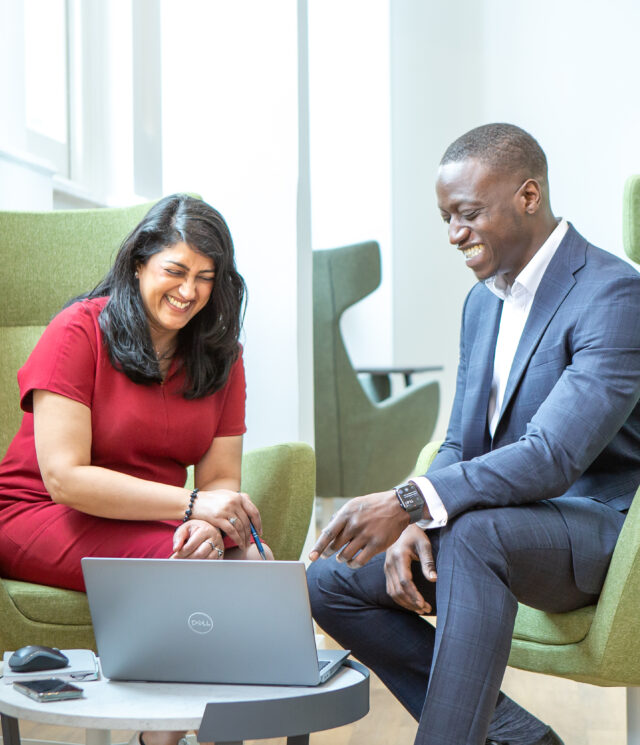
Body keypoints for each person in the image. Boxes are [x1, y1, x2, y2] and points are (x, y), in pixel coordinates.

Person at [307, 123, 640, 745]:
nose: (455, 234)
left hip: (606, 534)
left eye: (467, 214)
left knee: (474, 535)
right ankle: (515, 736)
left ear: (529, 196)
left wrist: (410, 501)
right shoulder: (481, 302)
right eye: (445, 218)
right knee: (331, 578)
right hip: (504, 524)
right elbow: (463, 443)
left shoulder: (613, 293)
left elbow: (552, 456)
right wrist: (418, 522)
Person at [0, 194, 272, 745]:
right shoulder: (79, 330)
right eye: (174, 270)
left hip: (153, 520)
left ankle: (204, 731)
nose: (188, 291)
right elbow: (65, 478)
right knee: (191, 574)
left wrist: (208, 525)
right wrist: (193, 508)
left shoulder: (222, 354)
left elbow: (220, 476)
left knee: (250, 556)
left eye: (205, 276)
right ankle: (160, 738)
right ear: (138, 263)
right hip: (41, 514)